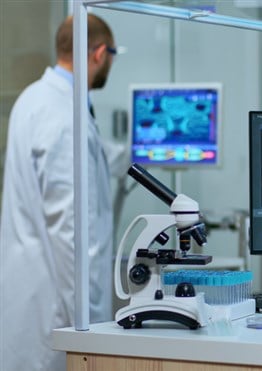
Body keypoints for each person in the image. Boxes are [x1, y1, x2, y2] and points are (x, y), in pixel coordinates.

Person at [0, 14, 117, 371]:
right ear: (99, 53)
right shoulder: (64, 117)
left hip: (32, 300)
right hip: (59, 317)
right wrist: (83, 327)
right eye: (112, 52)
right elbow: (70, 231)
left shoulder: (35, 99)